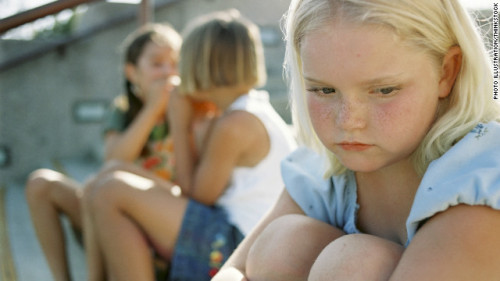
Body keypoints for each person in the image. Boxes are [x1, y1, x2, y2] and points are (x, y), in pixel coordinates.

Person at [213, 0, 500, 280]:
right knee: (283, 245)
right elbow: (232, 271)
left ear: (447, 71)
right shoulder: (326, 174)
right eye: (324, 90)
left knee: (353, 265)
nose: (348, 121)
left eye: (384, 90)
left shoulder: (481, 179)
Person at [83, 9, 297, 281]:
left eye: (182, 61)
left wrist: (180, 124)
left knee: (110, 192)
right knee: (109, 175)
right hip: (236, 233)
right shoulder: (243, 110)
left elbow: (194, 196)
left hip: (240, 245)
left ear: (202, 66)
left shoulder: (235, 124)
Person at [25, 23, 182, 281]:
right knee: (40, 183)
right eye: (157, 64)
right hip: (114, 205)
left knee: (101, 189)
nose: (167, 72)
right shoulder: (123, 110)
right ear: (132, 73)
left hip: (158, 215)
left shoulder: (188, 109)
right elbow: (115, 159)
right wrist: (152, 110)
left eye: (174, 63)